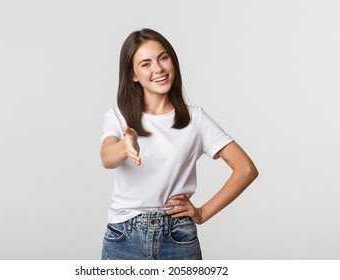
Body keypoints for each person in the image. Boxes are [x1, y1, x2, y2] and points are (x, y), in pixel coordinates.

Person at [100, 28, 258, 260]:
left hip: (177, 237)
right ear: (133, 75)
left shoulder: (195, 119)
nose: (158, 69)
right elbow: (107, 157)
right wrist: (125, 146)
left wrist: (202, 213)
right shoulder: (118, 117)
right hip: (124, 237)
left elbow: (245, 169)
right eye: (146, 64)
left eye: (163, 58)